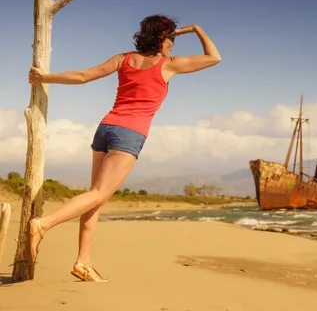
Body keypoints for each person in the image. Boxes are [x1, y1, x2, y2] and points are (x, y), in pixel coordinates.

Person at [27, 14, 221, 282]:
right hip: (129, 135)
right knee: (97, 194)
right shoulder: (169, 65)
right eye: (171, 38)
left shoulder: (123, 59)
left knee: (96, 199)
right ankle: (42, 225)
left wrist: (44, 77)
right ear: (161, 39)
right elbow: (214, 58)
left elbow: (83, 76)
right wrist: (199, 29)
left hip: (105, 129)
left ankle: (84, 262)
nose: (173, 44)